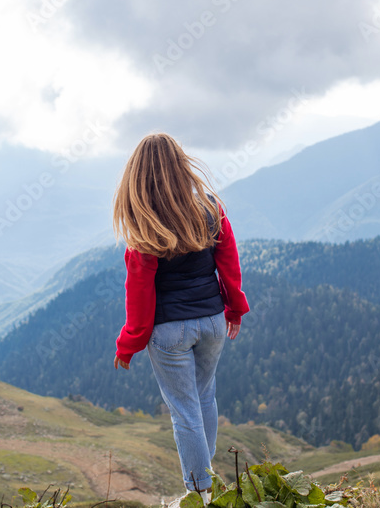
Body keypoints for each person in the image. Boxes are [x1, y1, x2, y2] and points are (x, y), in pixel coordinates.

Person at [112, 132, 249, 506]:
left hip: (168, 331)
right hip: (212, 321)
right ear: (180, 164)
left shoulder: (145, 227)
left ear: (138, 175)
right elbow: (229, 265)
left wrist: (129, 344)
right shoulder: (209, 208)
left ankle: (198, 494)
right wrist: (235, 308)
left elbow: (139, 295)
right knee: (205, 397)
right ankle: (207, 484)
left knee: (183, 409)